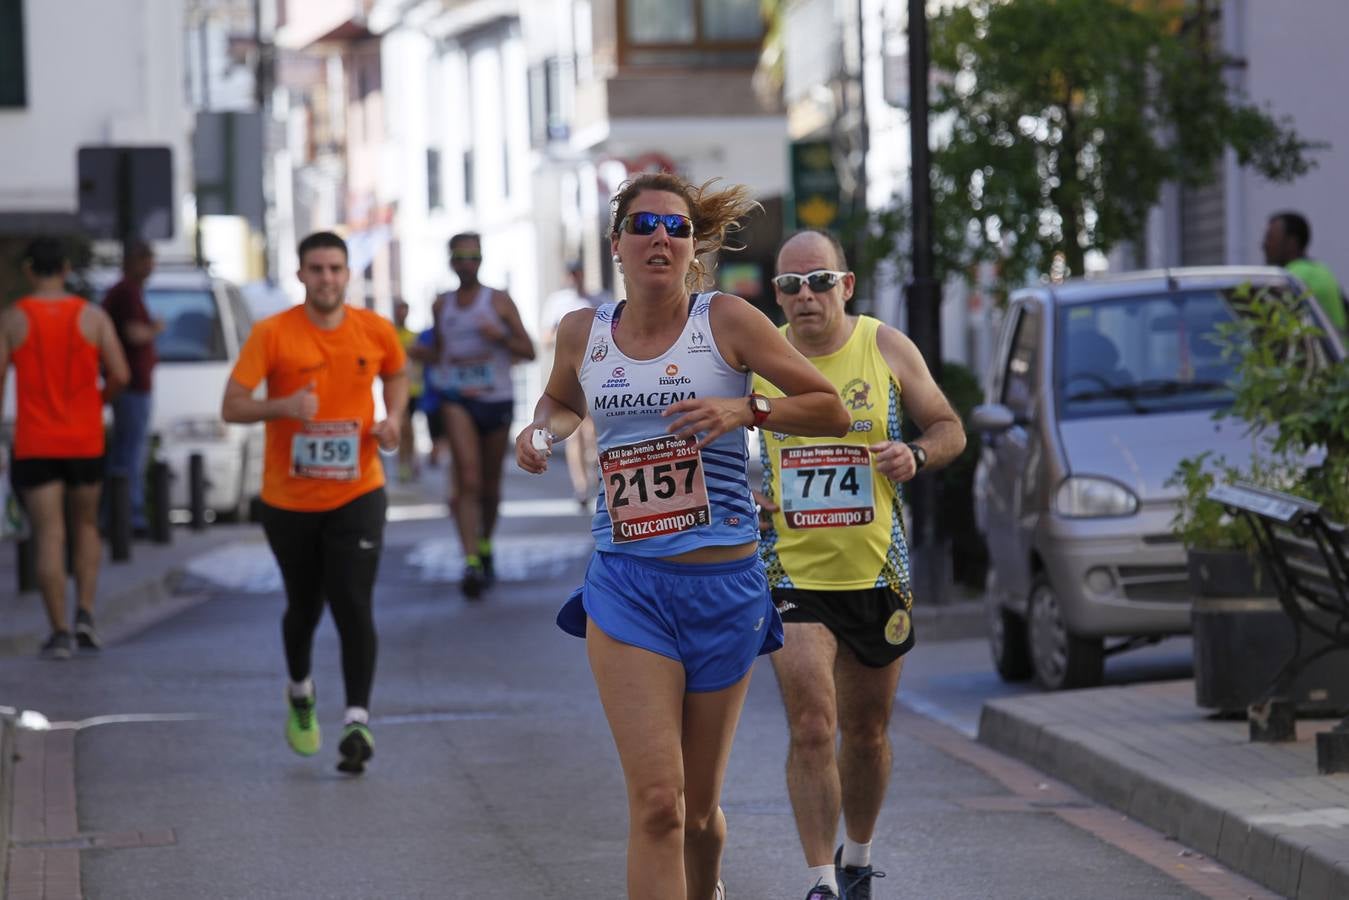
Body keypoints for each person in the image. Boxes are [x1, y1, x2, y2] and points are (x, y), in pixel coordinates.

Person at [515, 173, 851, 900]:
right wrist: (543, 430)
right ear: (617, 245)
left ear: (694, 246)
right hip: (627, 586)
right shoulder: (583, 332)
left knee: (697, 815)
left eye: (676, 227)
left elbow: (828, 409)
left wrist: (745, 412)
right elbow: (564, 399)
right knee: (659, 806)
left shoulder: (726, 321)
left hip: (723, 591)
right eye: (643, 226)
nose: (660, 239)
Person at [753, 230, 966, 900]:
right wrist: (743, 490)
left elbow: (947, 426)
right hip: (791, 574)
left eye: (818, 281)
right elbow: (708, 431)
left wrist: (917, 455)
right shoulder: (759, 354)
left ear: (845, 285)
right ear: (776, 294)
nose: (805, 297)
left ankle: (856, 856)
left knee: (867, 734)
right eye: (789, 285)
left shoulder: (883, 346)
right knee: (813, 725)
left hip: (877, 571)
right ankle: (819, 881)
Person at [221, 231, 407, 775]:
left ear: (348, 275)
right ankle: (300, 691)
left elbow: (396, 372)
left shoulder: (372, 330)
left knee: (352, 600)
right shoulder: (273, 334)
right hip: (289, 499)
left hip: (358, 490)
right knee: (305, 606)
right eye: (316, 269)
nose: (327, 278)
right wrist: (283, 406)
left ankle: (357, 720)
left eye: (335, 269)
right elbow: (232, 406)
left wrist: (393, 418)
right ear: (300, 275)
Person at [0, 238, 130, 658]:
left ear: (29, 271)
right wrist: (97, 400)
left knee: (49, 535)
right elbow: (121, 374)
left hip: (35, 442)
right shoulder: (91, 317)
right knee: (86, 526)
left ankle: (58, 632)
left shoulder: (14, 320)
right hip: (84, 439)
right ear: (67, 268)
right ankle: (86, 613)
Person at [426, 233, 535, 598]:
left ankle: (485, 544)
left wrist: (500, 335)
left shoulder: (499, 301)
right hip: (457, 397)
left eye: (473, 256)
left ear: (481, 260)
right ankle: (470, 560)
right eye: (460, 256)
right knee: (468, 479)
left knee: (490, 486)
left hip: (496, 398)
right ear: (451, 261)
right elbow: (439, 351)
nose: (467, 263)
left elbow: (529, 349)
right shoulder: (442, 305)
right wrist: (417, 355)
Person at [102, 241, 162, 535]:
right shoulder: (125, 292)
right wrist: (155, 329)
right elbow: (133, 334)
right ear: (133, 261)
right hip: (131, 385)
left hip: (134, 384)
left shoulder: (130, 292)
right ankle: (129, 517)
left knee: (127, 450)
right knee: (130, 452)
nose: (152, 267)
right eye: (147, 260)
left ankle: (119, 514)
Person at [541, 260, 606, 510]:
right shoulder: (558, 302)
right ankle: (581, 486)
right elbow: (545, 338)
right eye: (571, 273)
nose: (575, 277)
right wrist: (568, 334)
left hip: (596, 371)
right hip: (570, 372)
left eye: (579, 272)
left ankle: (594, 476)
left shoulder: (600, 297)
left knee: (592, 431)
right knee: (575, 434)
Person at [1262, 211, 1346, 334]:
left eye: (1270, 238)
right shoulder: (1322, 269)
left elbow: (1272, 329)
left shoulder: (1292, 277)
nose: (1265, 245)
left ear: (1292, 243)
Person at [391, 298, 424, 483]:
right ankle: (404, 463)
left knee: (409, 429)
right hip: (397, 389)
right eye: (399, 310)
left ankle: (409, 461)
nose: (402, 314)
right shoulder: (390, 334)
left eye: (405, 310)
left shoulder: (414, 336)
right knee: (404, 427)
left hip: (415, 389)